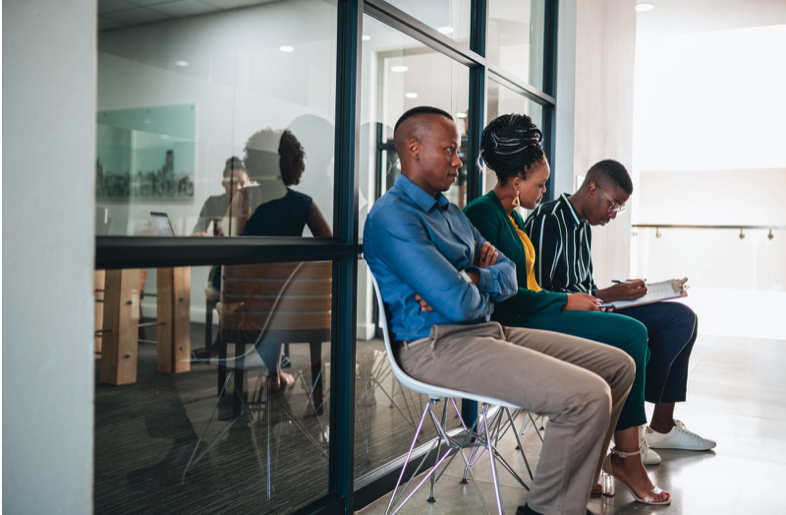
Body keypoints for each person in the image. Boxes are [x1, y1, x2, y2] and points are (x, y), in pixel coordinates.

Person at [363, 106, 636, 515]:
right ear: (414, 149)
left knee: (619, 366)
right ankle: (548, 510)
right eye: (450, 150)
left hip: (484, 330)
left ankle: (569, 500)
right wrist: (474, 280)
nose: (459, 161)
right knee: (587, 396)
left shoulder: (450, 213)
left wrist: (469, 278)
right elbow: (456, 302)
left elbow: (505, 279)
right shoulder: (392, 217)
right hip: (435, 347)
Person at [464, 114, 669, 505]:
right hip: (514, 322)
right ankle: (625, 459)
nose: (544, 191)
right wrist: (567, 300)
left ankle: (600, 464)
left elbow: (519, 284)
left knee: (629, 340)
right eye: (540, 184)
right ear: (517, 178)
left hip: (533, 311)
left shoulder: (510, 215)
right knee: (632, 334)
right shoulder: (482, 214)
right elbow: (502, 295)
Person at [525, 159, 716, 464]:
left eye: (619, 208)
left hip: (593, 311)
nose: (613, 214)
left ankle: (661, 427)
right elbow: (544, 297)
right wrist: (608, 294)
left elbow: (584, 289)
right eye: (613, 204)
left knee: (682, 319)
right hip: (560, 320)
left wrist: (628, 296)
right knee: (636, 335)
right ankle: (632, 427)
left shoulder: (582, 227)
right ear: (591, 188)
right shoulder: (550, 219)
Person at [221, 128, 332, 391]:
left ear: (256, 162)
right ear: (294, 163)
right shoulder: (305, 204)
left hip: (254, 302)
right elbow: (330, 246)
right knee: (277, 292)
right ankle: (276, 373)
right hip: (296, 305)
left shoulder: (244, 198)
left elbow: (227, 242)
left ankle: (274, 372)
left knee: (260, 293)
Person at [192, 156, 249, 235]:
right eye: (232, 183)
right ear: (223, 183)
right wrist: (197, 236)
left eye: (242, 184)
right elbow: (198, 231)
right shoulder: (212, 203)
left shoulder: (252, 206)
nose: (238, 188)